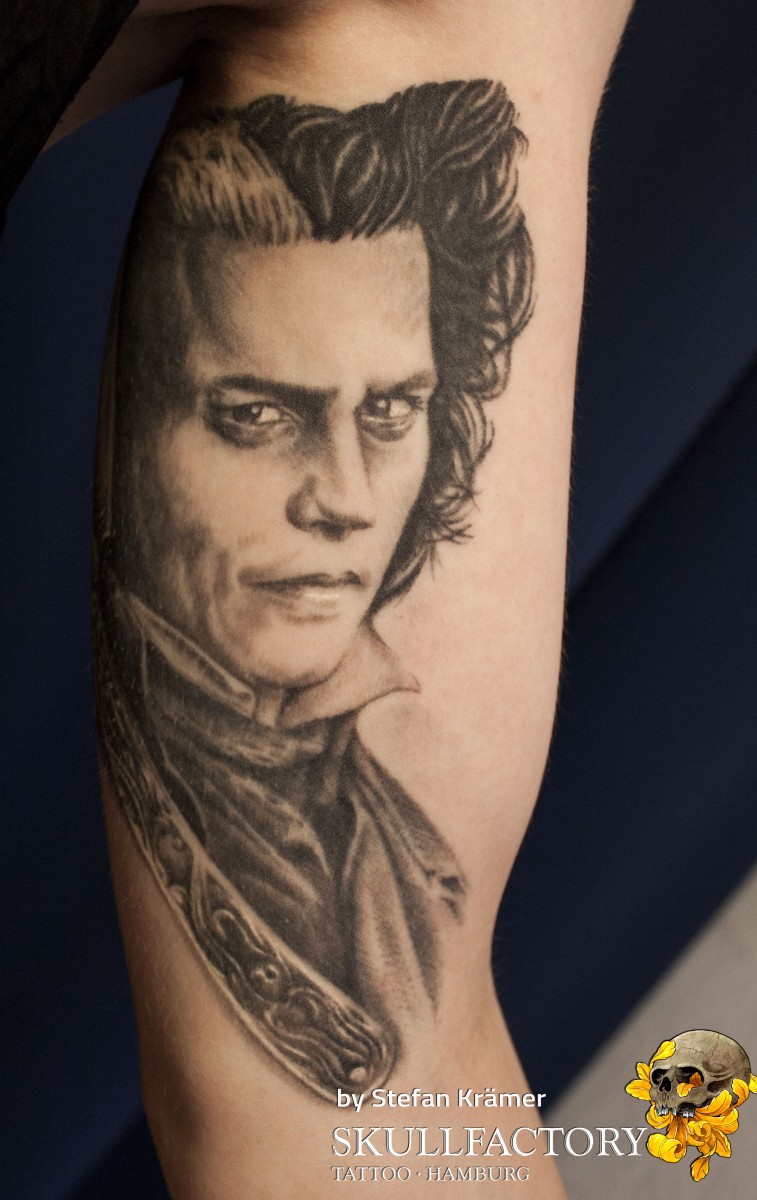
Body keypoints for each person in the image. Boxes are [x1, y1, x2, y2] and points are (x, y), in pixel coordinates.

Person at [94, 80, 533, 1100]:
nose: (344, 498)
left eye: (390, 412)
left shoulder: (403, 845)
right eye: (256, 416)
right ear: (133, 433)